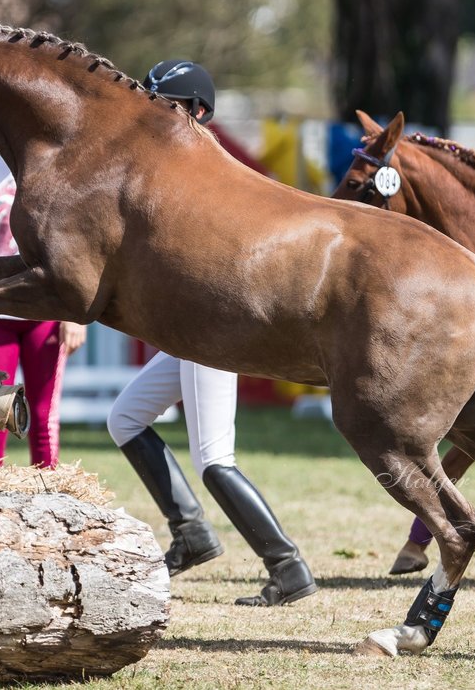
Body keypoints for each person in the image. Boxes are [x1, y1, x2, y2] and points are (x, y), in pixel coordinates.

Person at [107, 59, 316, 607]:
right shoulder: (173, 161)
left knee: (214, 458)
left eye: (166, 105)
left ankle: (287, 566)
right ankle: (192, 533)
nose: (154, 114)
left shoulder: (206, 165)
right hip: (186, 330)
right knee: (124, 418)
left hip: (210, 324)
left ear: (197, 111)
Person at [0, 155, 87, 468]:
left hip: (46, 312)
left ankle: (49, 495)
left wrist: (74, 314)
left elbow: (73, 249)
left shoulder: (60, 171)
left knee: (43, 414)